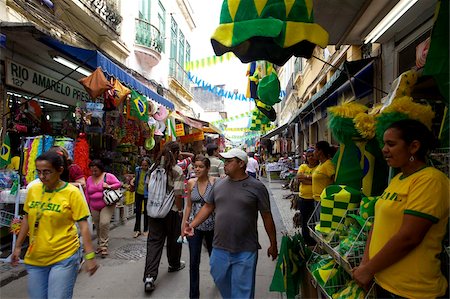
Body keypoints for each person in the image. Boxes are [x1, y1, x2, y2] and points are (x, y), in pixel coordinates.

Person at [353, 119, 449, 298]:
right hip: (384, 283)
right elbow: (377, 224)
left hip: (412, 291)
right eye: (384, 144)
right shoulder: (397, 179)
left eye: (391, 144)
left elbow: (409, 237)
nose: (384, 150)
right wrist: (366, 266)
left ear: (413, 147)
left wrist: (369, 269)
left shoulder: (431, 180)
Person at [184, 148, 278, 299]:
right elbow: (208, 206)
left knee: (243, 291)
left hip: (245, 249)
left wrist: (273, 244)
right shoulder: (219, 184)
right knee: (219, 277)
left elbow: (267, 216)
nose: (225, 165)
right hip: (219, 246)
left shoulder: (257, 187)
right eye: (225, 161)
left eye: (229, 161)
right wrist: (192, 225)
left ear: (241, 163)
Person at [11, 151, 98, 299]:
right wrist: (18, 247)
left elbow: (84, 226)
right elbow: (27, 218)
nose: (42, 176)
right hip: (36, 258)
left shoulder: (72, 193)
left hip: (64, 256)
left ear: (60, 170)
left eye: (47, 172)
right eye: (39, 172)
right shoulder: (33, 189)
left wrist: (89, 256)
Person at [143, 141, 186, 292]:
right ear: (174, 154)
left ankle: (149, 277)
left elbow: (148, 186)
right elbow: (178, 194)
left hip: (154, 211)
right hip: (171, 211)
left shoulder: (153, 168)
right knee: (174, 240)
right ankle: (174, 264)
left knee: (154, 242)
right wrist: (180, 210)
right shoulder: (176, 170)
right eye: (178, 152)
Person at [181, 155, 216, 299]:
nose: (197, 169)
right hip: (194, 228)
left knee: (214, 259)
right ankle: (194, 295)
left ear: (207, 168)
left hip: (213, 226)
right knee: (194, 261)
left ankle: (218, 279)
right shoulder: (191, 183)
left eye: (201, 166)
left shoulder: (215, 182)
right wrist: (184, 223)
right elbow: (188, 205)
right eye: (195, 166)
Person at [85, 159, 121, 258]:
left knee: (104, 223)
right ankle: (100, 244)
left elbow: (118, 184)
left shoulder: (108, 176)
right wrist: (87, 206)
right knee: (97, 225)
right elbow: (87, 193)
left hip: (107, 204)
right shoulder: (89, 179)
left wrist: (109, 186)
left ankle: (104, 246)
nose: (93, 172)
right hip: (93, 206)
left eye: (95, 170)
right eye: (92, 170)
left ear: (100, 169)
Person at [296, 148, 319, 246]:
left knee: (315, 220)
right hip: (304, 198)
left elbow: (319, 180)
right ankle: (307, 240)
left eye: (312, 155)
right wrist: (313, 180)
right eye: (308, 156)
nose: (310, 158)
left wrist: (306, 178)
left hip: (316, 198)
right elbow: (300, 178)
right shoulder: (303, 166)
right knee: (305, 220)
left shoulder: (319, 167)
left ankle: (315, 240)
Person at [312, 141, 335, 218]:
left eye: (315, 150)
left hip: (324, 200)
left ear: (320, 151)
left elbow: (334, 180)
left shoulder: (328, 164)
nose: (313, 153)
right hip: (317, 200)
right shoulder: (320, 164)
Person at [130, 157, 151, 238]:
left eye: (145, 165)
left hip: (147, 194)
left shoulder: (150, 172)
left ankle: (146, 229)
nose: (144, 167)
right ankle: (137, 230)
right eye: (142, 165)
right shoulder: (138, 170)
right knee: (138, 212)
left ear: (148, 165)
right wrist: (132, 181)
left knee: (146, 212)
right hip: (138, 192)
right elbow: (136, 178)